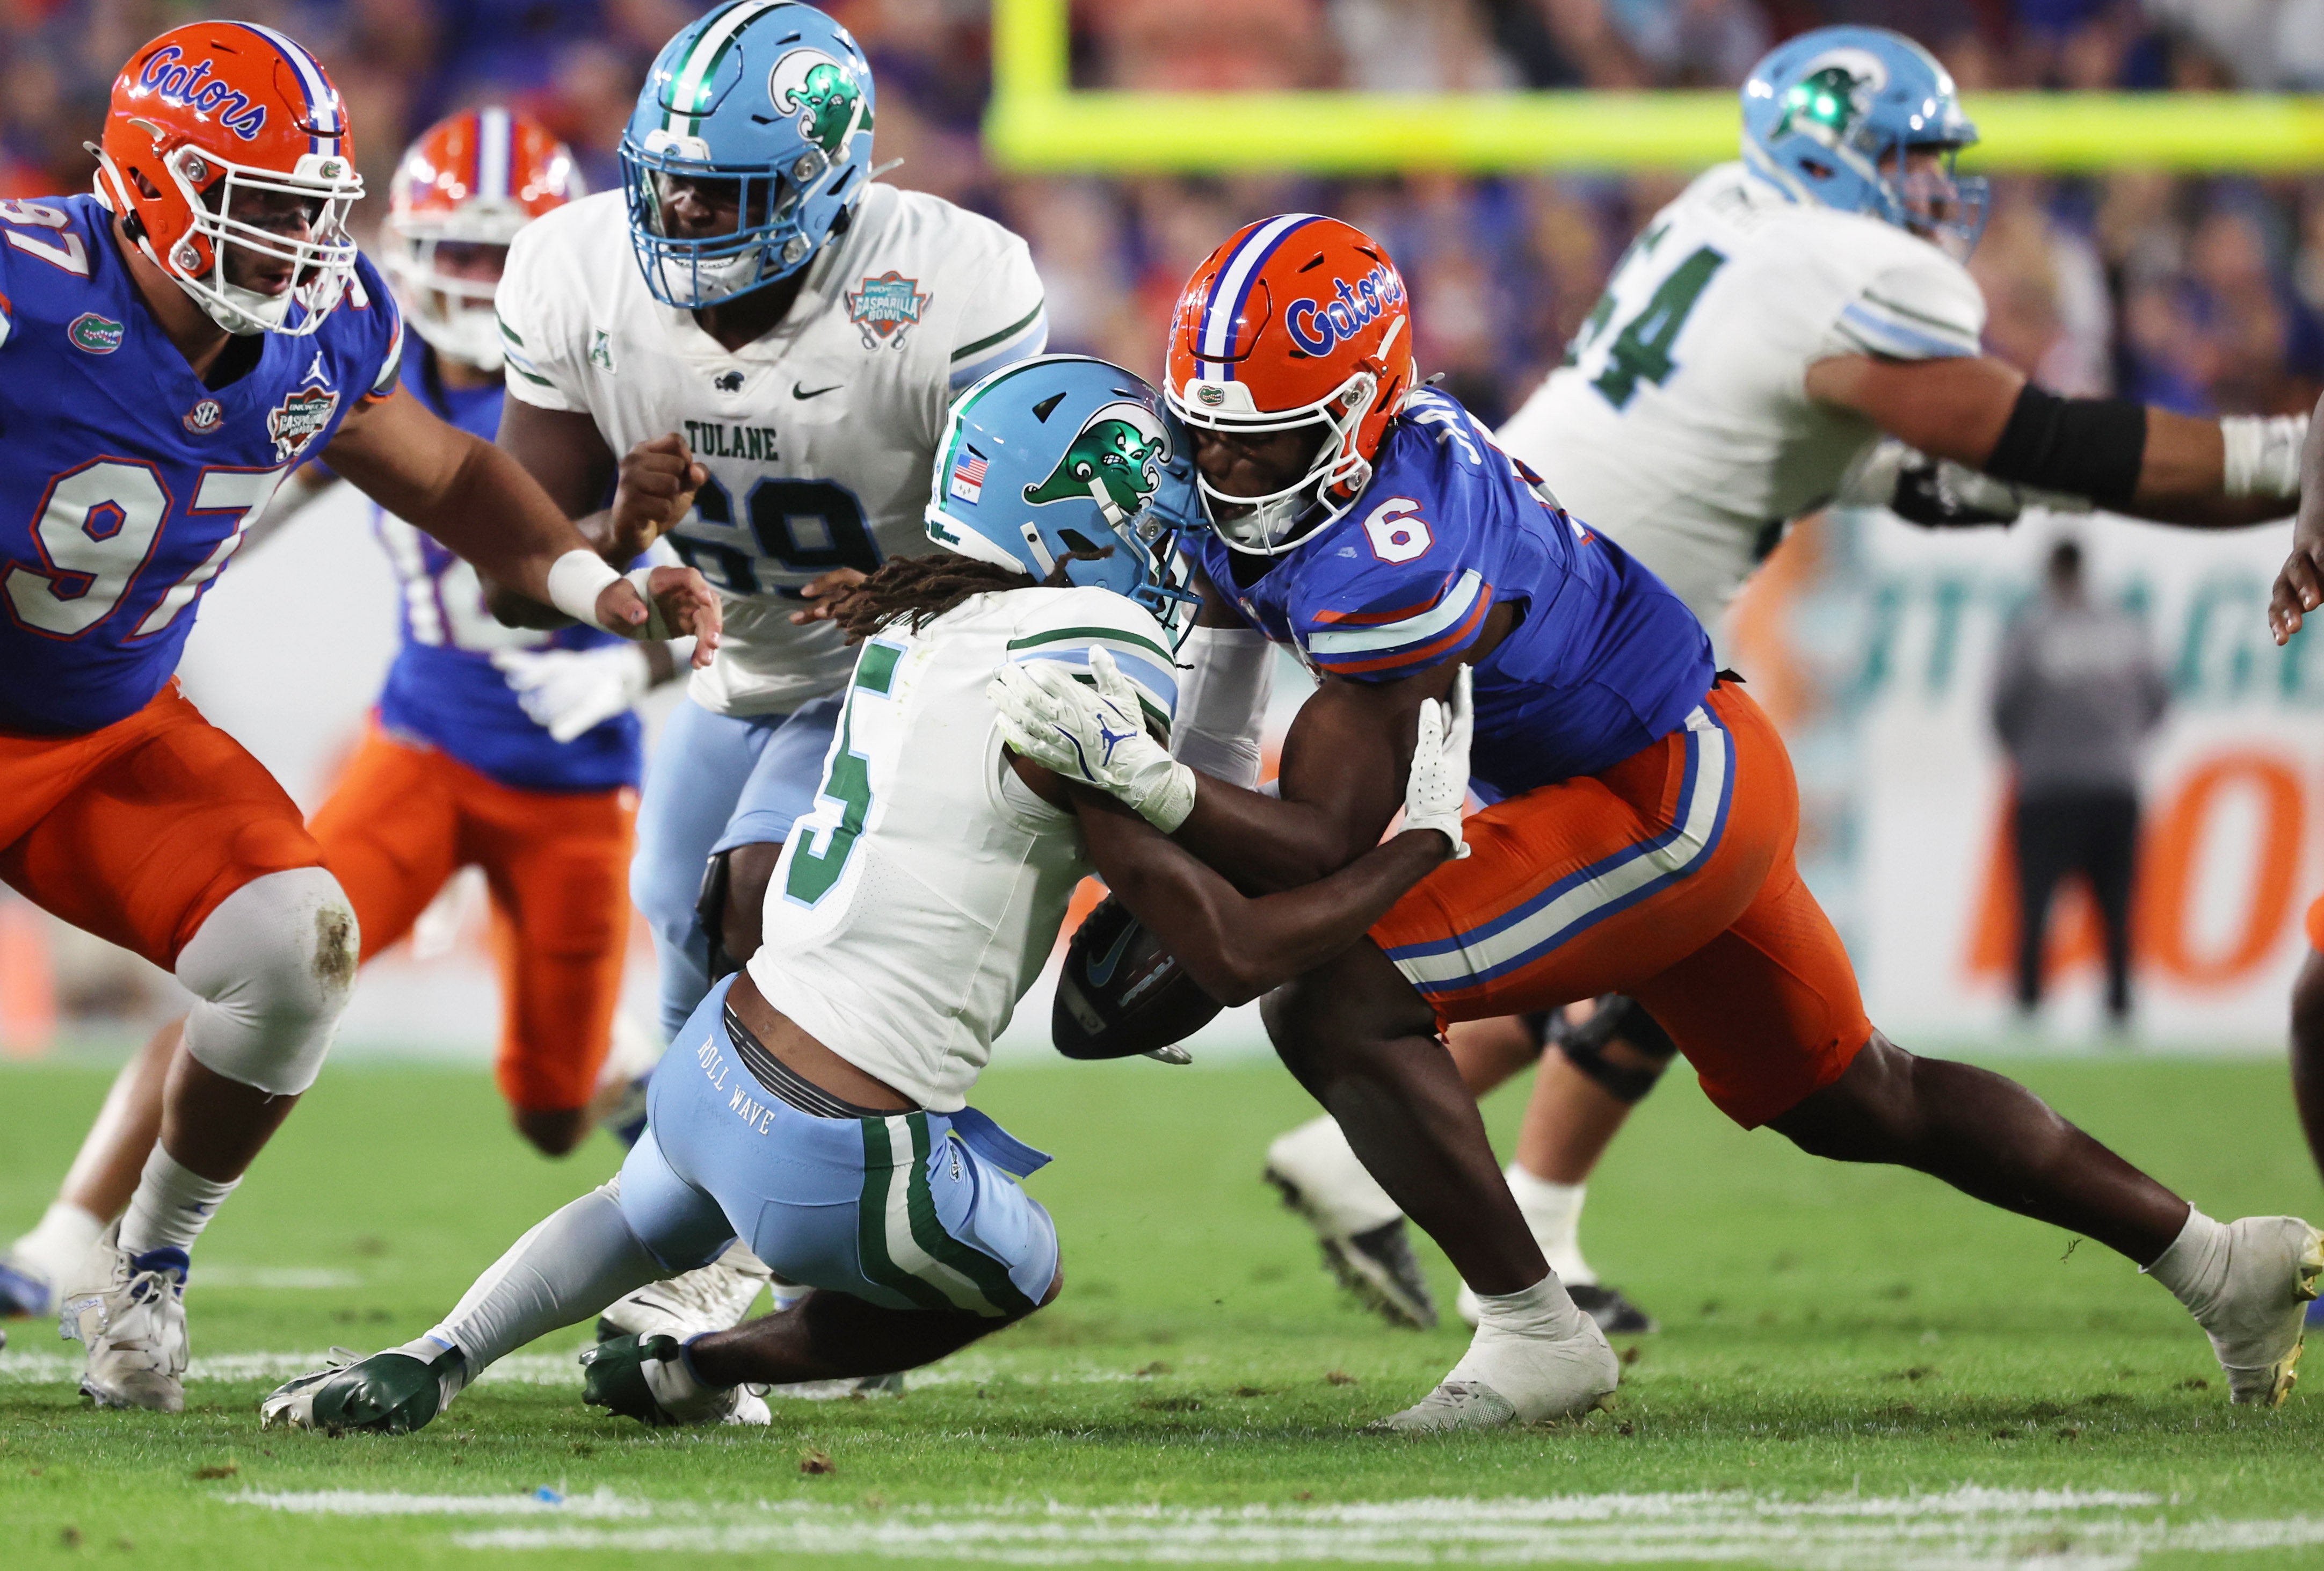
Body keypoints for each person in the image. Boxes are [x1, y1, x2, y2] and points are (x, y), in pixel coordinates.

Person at [994, 212, 2321, 1429]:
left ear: (1358, 410)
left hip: (1662, 797)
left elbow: (1319, 842)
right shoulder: (1300, 487)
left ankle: (1532, 1329)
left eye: (1259, 434)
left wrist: (1148, 799)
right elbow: (1228, 718)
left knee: (1330, 988)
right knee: (1857, 1094)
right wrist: (1173, 855)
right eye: (1201, 427)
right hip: (1661, 770)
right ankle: (2221, 1258)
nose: (1220, 460)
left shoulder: (1395, 541)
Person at [1257, 25, 2310, 1336]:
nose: (1939, 192)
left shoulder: (1732, 219)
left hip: (1599, 695)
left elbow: (1866, 447)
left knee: (1836, 1081)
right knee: (1367, 992)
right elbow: (2015, 434)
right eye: (1918, 159)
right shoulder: (1842, 266)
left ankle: (2220, 1264)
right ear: (1840, 154)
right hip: (1554, 687)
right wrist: (2285, 454)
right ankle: (1497, 1246)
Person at [256, 355, 1472, 1434]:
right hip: (839, 1145)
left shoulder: (915, 623)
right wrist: (1415, 842)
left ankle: (436, 1352)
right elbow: (1237, 951)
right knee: (1022, 1270)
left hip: (715, 1055)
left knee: (638, 1211)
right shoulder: (1091, 650)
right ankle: (703, 1362)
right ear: (1089, 523)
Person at [0, 23, 720, 1414]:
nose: (291, 249)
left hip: (104, 733)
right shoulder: (25, 288)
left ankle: (145, 1262)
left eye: (310, 215)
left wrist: (592, 582)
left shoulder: (319, 331)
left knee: (294, 948)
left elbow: (449, 473)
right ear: (150, 184)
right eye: (259, 209)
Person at [481, 0, 1050, 1353]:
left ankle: (716, 1282)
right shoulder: (575, 273)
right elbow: (517, 570)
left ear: (827, 180)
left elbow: (1028, 554)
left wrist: (906, 589)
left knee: (755, 909)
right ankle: (777, 1279)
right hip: (729, 672)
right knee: (685, 1003)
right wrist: (617, 536)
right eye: (663, 181)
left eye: (719, 191)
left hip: (893, 667)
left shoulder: (947, 287)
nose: (677, 217)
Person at [1991, 537, 2168, 1029]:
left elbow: (2002, 709)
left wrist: (2034, 754)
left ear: (2050, 571)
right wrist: (2117, 749)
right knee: (2117, 903)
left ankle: (2027, 1005)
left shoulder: (2030, 632)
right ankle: (2119, 1006)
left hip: (2046, 788)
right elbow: (2158, 702)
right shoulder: (2124, 628)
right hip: (2114, 785)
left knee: (2035, 902)